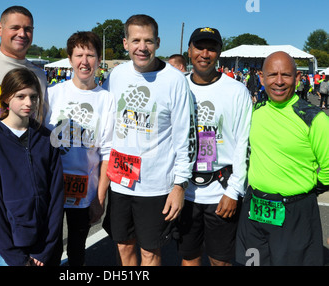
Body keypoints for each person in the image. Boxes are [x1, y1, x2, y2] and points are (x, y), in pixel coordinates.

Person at [102, 14, 196, 266]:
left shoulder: (175, 81)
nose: (141, 47)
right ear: (125, 43)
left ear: (158, 42)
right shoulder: (116, 75)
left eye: (148, 41)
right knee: (123, 244)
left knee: (150, 251)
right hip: (120, 182)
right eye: (135, 40)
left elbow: (185, 137)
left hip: (156, 185)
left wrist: (179, 186)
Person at [235, 51, 329, 266]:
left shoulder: (315, 119)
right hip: (255, 210)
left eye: (286, 75)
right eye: (272, 75)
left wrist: (304, 192)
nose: (279, 81)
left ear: (297, 79)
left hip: (296, 214)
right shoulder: (255, 112)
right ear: (261, 78)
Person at [175, 27, 252, 266]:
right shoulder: (177, 87)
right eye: (199, 47)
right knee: (189, 258)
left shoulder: (237, 91)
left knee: (220, 261)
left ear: (219, 52)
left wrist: (234, 191)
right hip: (185, 191)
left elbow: (244, 143)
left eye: (211, 48)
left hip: (221, 190)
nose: (204, 53)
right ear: (189, 51)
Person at [0, 68, 64, 266]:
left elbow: (56, 197)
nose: (29, 103)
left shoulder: (47, 138)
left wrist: (45, 248)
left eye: (33, 97)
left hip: (43, 247)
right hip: (8, 250)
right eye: (21, 96)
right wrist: (13, 256)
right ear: (7, 98)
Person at [45, 31, 115, 266]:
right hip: (52, 189)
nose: (84, 61)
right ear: (69, 58)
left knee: (77, 251)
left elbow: (107, 153)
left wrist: (99, 198)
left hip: (85, 192)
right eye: (79, 55)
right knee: (49, 250)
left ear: (98, 59)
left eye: (90, 55)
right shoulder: (52, 94)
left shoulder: (107, 99)